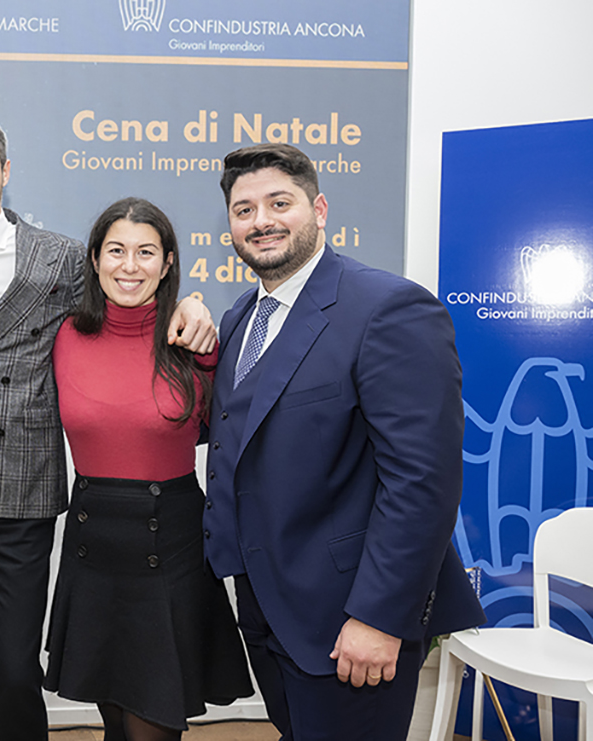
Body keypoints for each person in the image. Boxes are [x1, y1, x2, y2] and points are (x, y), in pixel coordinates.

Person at [0, 110, 216, 741]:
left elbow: (130, 302)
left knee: (15, 672)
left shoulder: (65, 258)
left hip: (19, 494)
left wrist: (193, 301)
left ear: (5, 173)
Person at [203, 143, 485, 740]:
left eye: (280, 203)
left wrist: (378, 618)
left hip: (349, 618)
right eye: (244, 209)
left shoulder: (388, 308)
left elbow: (423, 483)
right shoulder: (239, 319)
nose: (262, 221)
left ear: (320, 208)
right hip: (267, 606)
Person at [44, 197, 252, 741]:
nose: (129, 266)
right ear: (94, 259)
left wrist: (197, 304)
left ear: (167, 263)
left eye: (145, 252)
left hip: (172, 543)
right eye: (116, 250)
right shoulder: (64, 335)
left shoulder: (196, 340)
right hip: (94, 540)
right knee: (113, 713)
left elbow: (226, 427)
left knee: (154, 720)